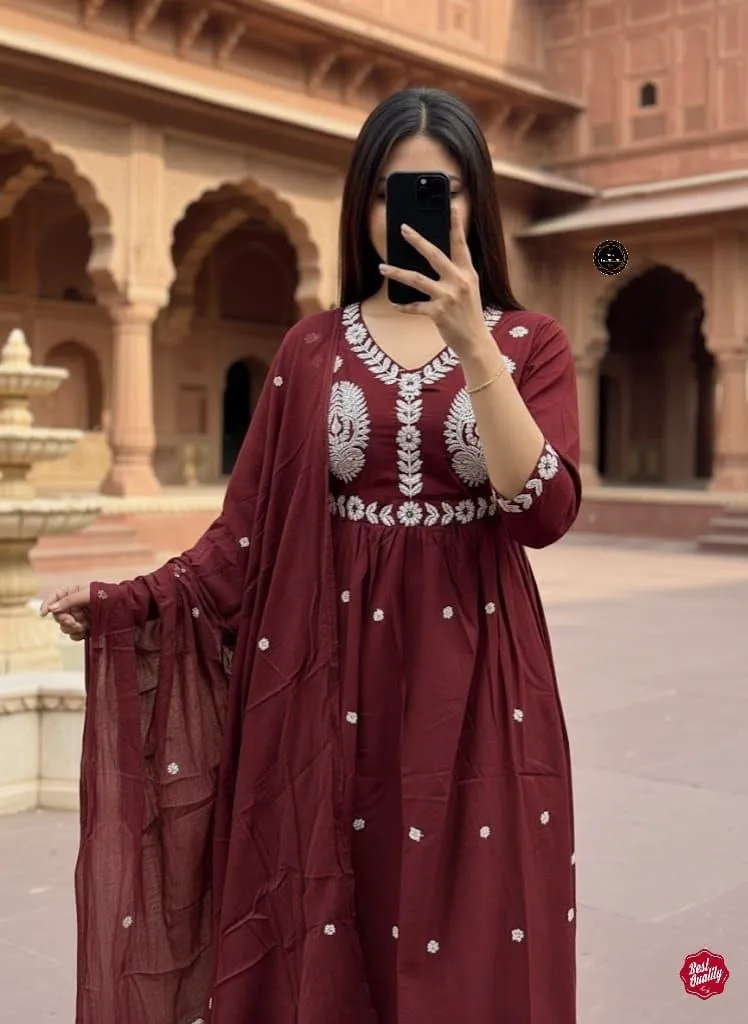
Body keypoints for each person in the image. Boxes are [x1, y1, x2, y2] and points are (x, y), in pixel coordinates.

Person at [42, 87, 580, 1024]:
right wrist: (132, 601)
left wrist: (474, 346)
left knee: (472, 921)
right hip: (329, 681)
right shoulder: (312, 347)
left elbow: (543, 511)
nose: (412, 211)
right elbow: (242, 535)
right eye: (388, 190)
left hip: (478, 684)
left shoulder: (531, 342)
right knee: (334, 914)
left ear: (476, 201)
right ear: (362, 204)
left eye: (442, 190)